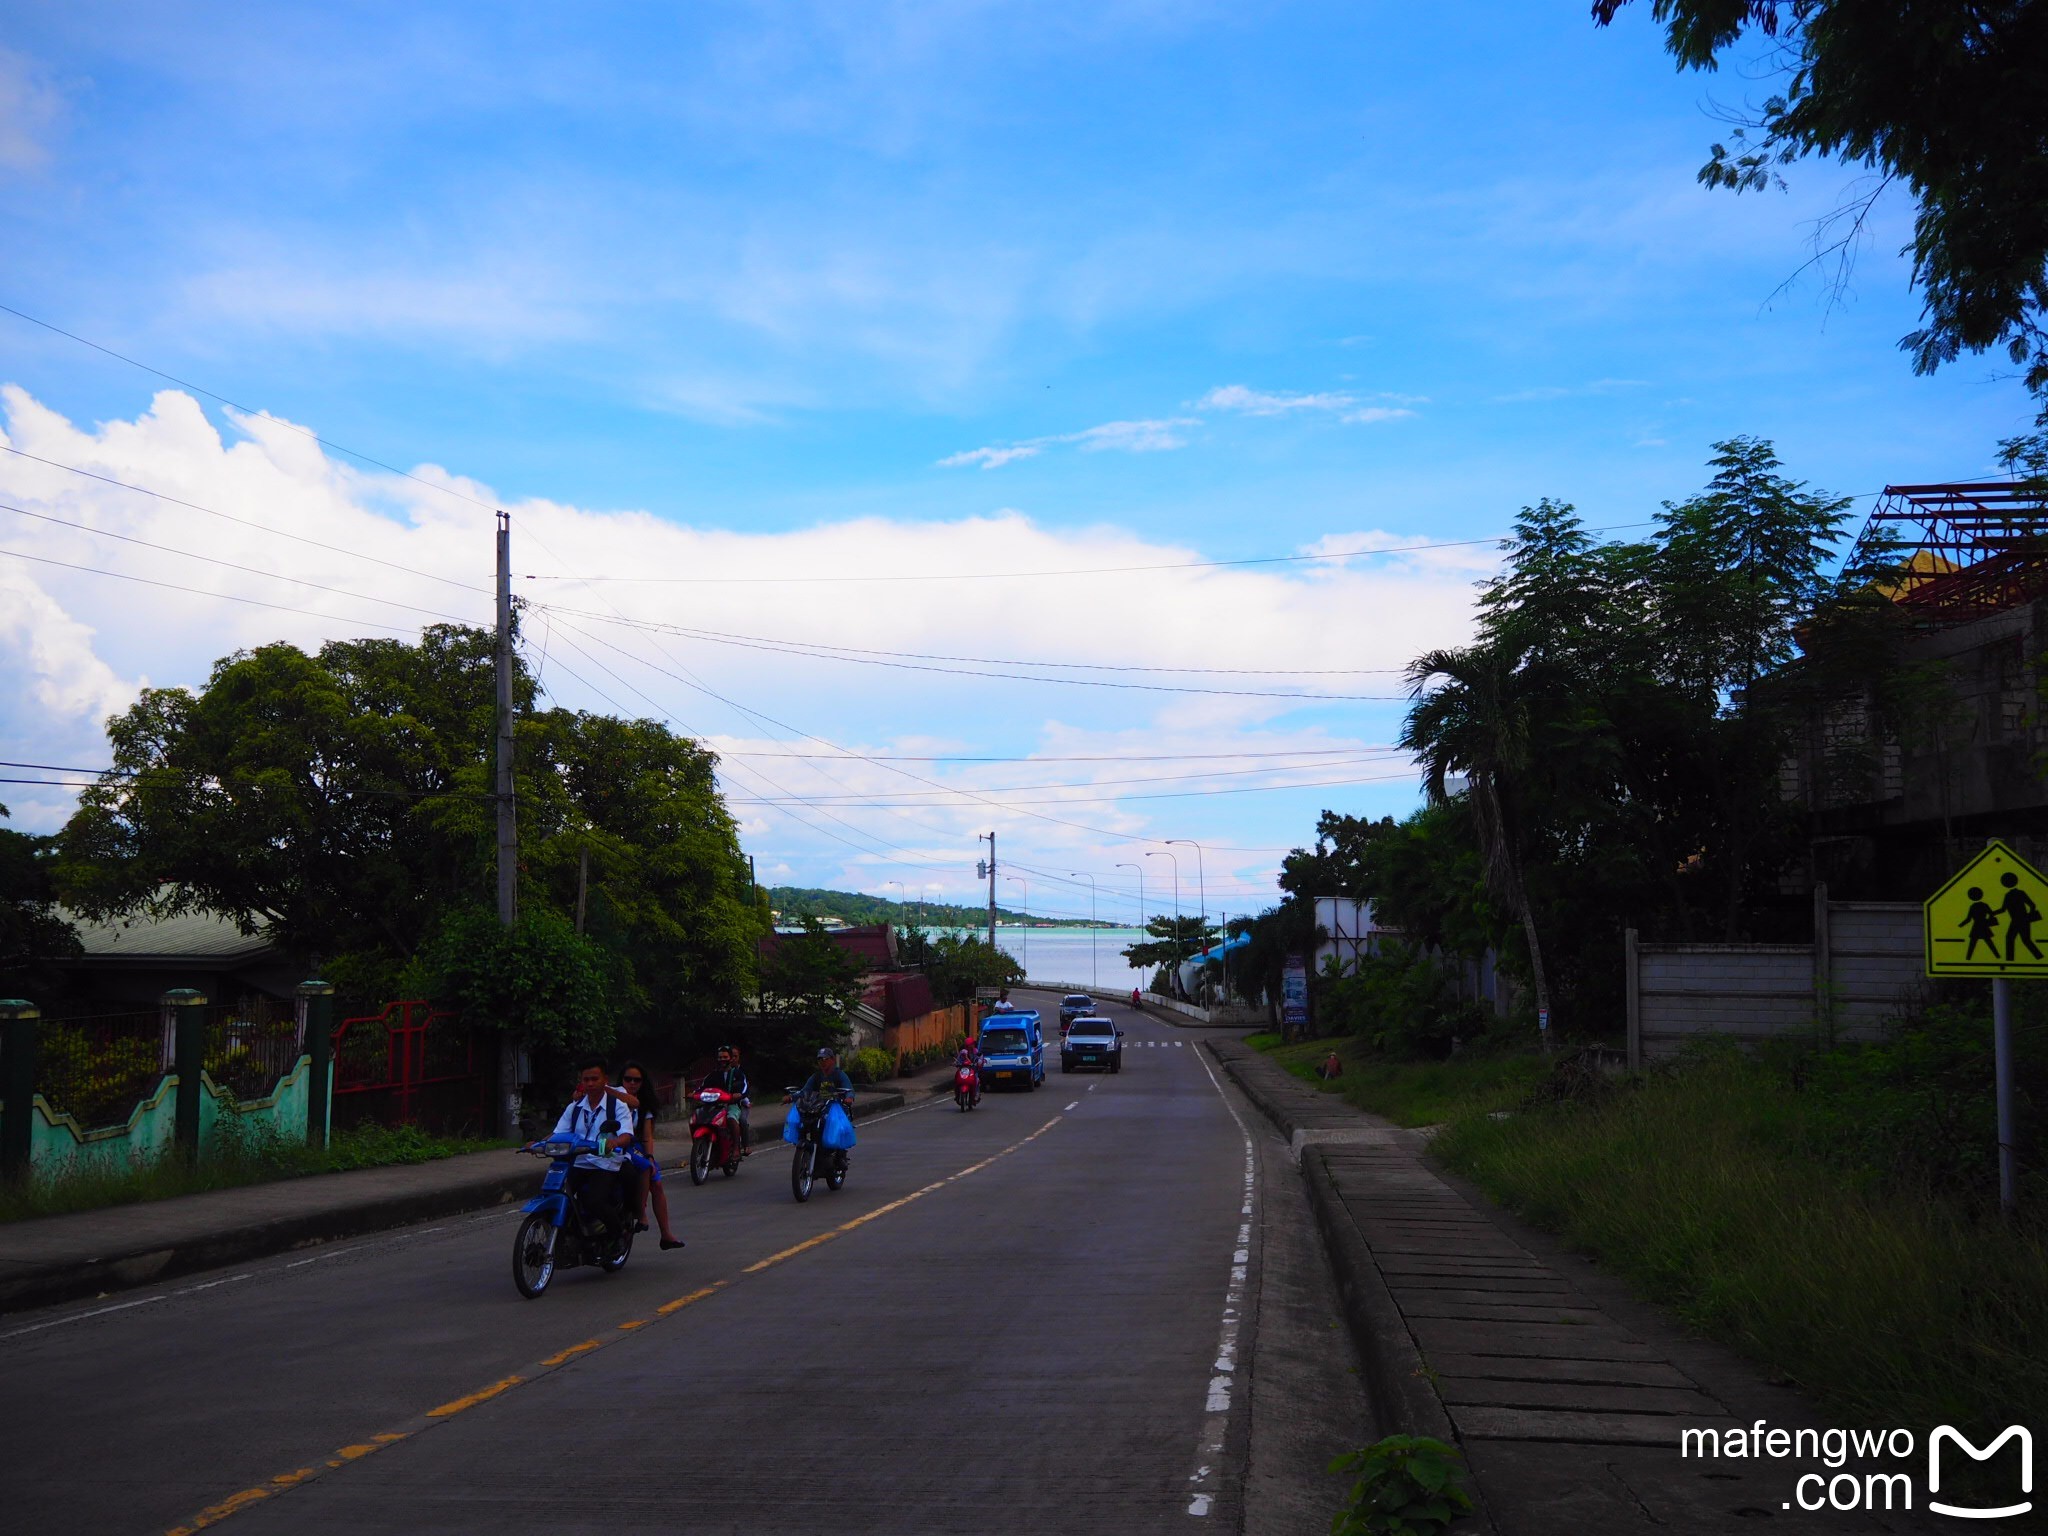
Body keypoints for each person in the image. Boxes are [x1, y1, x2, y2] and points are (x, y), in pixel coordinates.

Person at [545, 1057, 633, 1236]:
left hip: (605, 1163)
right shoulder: (574, 1107)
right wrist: (539, 1143)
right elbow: (558, 1133)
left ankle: (618, 1235)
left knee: (595, 1201)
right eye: (586, 1080)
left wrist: (614, 1142)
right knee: (554, 1194)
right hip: (577, 1161)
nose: (590, 1083)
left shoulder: (618, 1106)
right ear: (581, 1081)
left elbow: (626, 1135)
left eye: (595, 1079)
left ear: (605, 1080)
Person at [616, 1061, 683, 1251]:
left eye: (637, 1080)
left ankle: (666, 1234)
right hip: (617, 1144)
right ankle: (641, 1213)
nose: (632, 1083)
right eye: (628, 1079)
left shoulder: (642, 1106)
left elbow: (647, 1136)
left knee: (656, 1180)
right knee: (644, 1167)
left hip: (634, 1145)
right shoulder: (613, 1097)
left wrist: (650, 1155)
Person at [704, 1044, 753, 1153]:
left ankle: (737, 1147)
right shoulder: (714, 1074)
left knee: (734, 1119)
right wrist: (694, 1093)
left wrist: (740, 1095)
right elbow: (703, 1086)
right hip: (717, 1105)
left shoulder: (738, 1073)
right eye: (720, 1058)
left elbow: (745, 1088)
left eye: (725, 1057)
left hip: (734, 1104)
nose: (722, 1060)